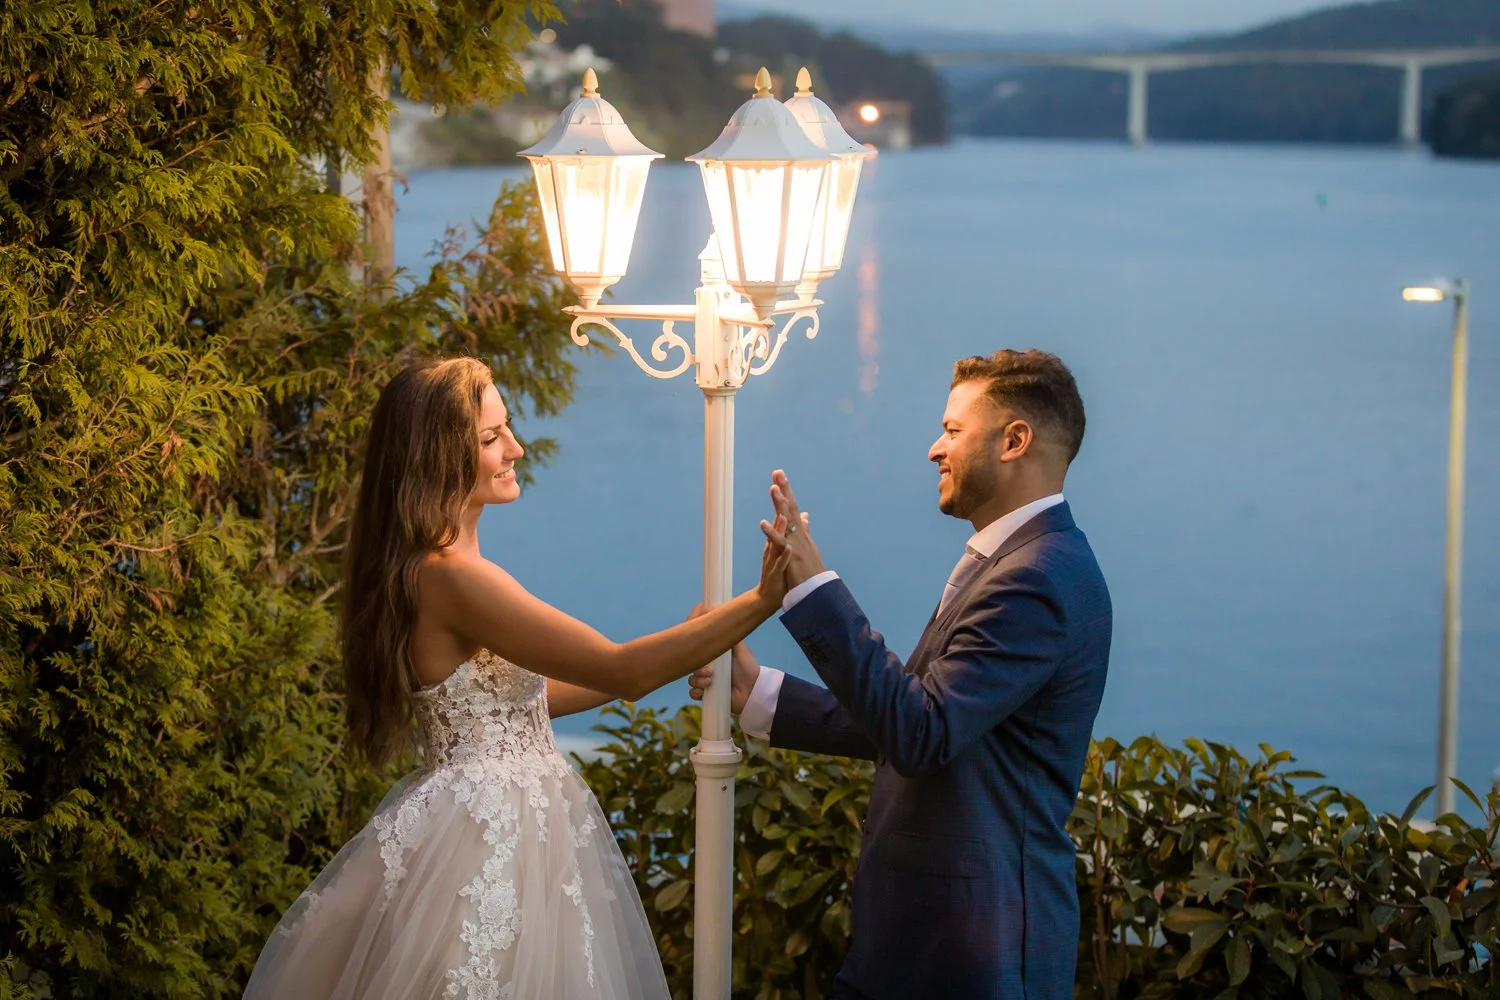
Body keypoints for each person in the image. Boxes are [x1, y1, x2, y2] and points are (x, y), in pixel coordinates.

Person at [245, 357, 791, 1000]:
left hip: (496, 826)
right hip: (488, 839)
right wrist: (760, 600)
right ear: (438, 457)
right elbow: (622, 669)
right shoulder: (455, 578)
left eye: (506, 428)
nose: (515, 448)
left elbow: (524, 702)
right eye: (490, 437)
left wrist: (690, 642)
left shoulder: (437, 569)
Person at [692, 349, 1112, 999]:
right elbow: (920, 714)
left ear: (1014, 441)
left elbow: (922, 731)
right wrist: (759, 696)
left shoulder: (1037, 579)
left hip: (975, 956)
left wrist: (813, 586)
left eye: (952, 430)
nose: (934, 449)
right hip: (917, 942)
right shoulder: (1013, 564)